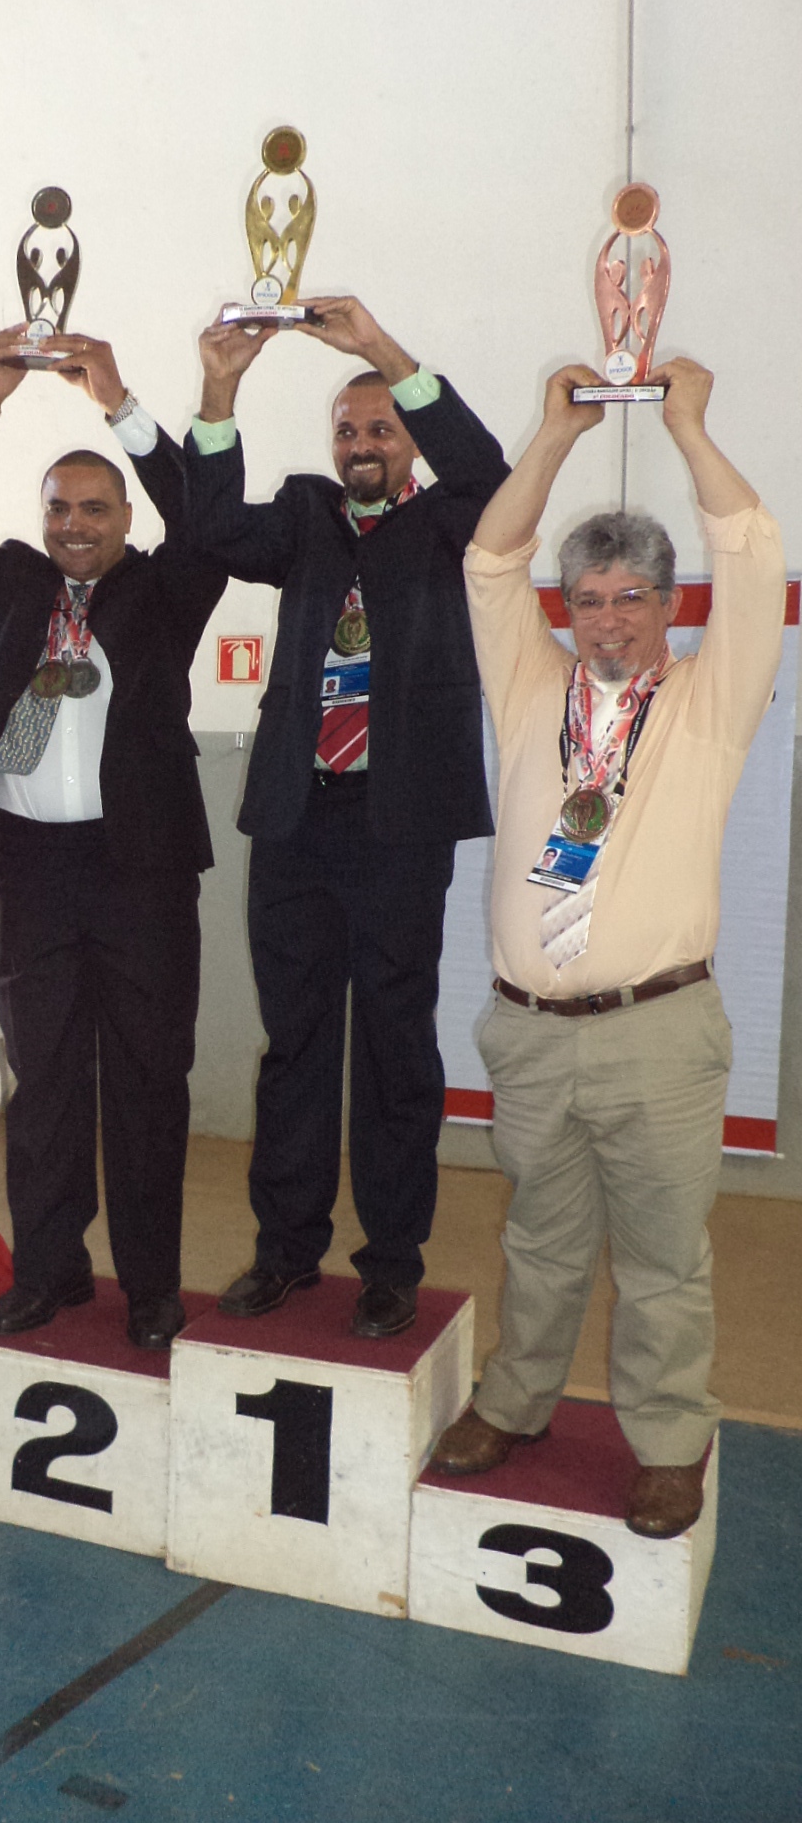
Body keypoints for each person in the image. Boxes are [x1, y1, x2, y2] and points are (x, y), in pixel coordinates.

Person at [430, 358, 785, 1537]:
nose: (613, 616)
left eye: (635, 596)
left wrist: (687, 427)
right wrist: (549, 438)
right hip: (528, 1033)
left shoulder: (709, 703)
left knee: (665, 1258)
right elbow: (489, 563)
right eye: (591, 598)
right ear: (568, 611)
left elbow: (747, 545)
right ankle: (518, 1403)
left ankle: (671, 1440)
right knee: (538, 1237)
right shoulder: (530, 692)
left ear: (667, 607)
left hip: (657, 1033)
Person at [183, 297, 509, 1337]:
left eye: (381, 429)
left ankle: (392, 1264)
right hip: (295, 818)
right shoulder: (305, 517)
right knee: (297, 1046)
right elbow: (213, 529)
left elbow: (490, 478)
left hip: (400, 822)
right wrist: (222, 389)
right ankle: (285, 1252)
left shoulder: (451, 521)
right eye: (347, 429)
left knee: (396, 1047)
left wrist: (381, 352)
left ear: (409, 444)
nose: (361, 444)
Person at [0, 328, 226, 1350]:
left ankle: (153, 1286)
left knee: (144, 1081)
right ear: (40, 517)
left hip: (140, 873)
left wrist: (122, 402)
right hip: (36, 871)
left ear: (126, 515)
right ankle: (51, 1273)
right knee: (42, 1080)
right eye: (59, 507)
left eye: (96, 508)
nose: (76, 524)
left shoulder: (167, 589)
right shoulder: (13, 585)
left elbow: (209, 515)